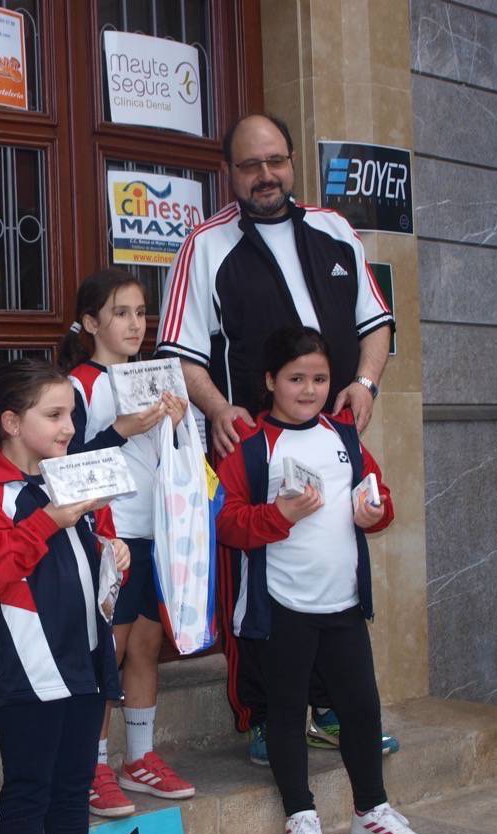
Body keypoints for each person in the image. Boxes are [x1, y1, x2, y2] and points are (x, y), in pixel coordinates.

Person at [156, 112, 397, 764]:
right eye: (250, 165)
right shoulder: (205, 244)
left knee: (336, 572)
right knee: (258, 590)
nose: (266, 176)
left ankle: (333, 708)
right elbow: (180, 352)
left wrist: (367, 386)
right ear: (229, 173)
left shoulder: (334, 229)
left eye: (275, 162)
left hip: (333, 439)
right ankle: (265, 713)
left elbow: (377, 324)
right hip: (255, 450)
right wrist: (217, 408)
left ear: (293, 162)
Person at [215, 326, 427, 834]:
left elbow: (377, 499)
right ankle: (300, 816)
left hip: (344, 606)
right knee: (286, 713)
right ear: (269, 381)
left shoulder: (346, 437)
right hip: (282, 609)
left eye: (319, 378)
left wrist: (375, 513)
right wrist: (278, 516)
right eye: (295, 379)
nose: (308, 389)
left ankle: (370, 811)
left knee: (361, 709)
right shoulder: (250, 449)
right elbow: (229, 525)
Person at [0, 357, 130, 834]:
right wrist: (51, 518)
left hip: (84, 657)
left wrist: (113, 551)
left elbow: (96, 537)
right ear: (11, 422)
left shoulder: (72, 470)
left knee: (74, 790)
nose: (69, 428)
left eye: (71, 414)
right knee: (30, 791)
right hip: (28, 667)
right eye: (54, 415)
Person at [57, 267, 192, 818]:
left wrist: (178, 425)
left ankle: (140, 757)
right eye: (120, 313)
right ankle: (92, 765)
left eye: (140, 312)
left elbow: (178, 458)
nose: (135, 324)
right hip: (105, 535)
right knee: (103, 653)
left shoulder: (158, 375)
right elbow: (65, 463)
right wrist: (123, 429)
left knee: (144, 645)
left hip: (155, 528)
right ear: (90, 322)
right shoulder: (77, 385)